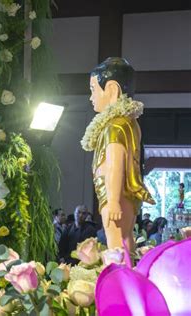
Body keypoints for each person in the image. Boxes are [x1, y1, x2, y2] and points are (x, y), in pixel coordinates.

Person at [81, 57, 155, 250]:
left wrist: (113, 200)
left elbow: (116, 163)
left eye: (93, 89)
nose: (91, 97)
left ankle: (119, 278)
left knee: (115, 241)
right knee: (126, 236)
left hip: (114, 192)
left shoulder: (115, 126)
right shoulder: (130, 123)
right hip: (127, 193)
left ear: (112, 90)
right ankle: (128, 275)